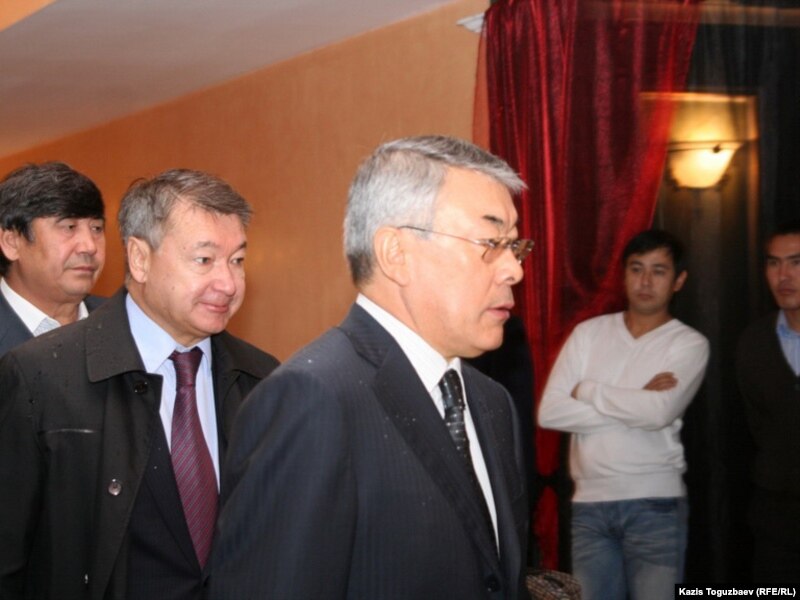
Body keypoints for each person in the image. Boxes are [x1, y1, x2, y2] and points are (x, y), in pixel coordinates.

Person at [209, 136, 533, 599]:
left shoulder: (491, 401)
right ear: (395, 253)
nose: (513, 269)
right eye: (490, 243)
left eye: (514, 246)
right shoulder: (312, 399)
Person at [0, 169, 280, 600]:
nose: (228, 283)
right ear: (140, 259)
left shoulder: (262, 378)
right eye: (204, 260)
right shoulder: (40, 376)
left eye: (237, 260)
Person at [538, 229, 709, 600]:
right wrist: (637, 398)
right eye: (636, 268)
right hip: (588, 506)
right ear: (623, 274)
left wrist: (588, 390)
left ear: (678, 280)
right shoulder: (588, 334)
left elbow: (658, 413)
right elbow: (550, 412)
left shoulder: (688, 343)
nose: (645, 281)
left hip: (655, 504)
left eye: (658, 271)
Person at [736, 219, 800, 583]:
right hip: (776, 517)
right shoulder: (754, 341)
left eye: (796, 262)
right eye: (774, 263)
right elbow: (756, 425)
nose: (783, 275)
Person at [0, 161, 106, 357]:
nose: (90, 246)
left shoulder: (127, 322)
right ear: (12, 243)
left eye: (97, 228)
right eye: (69, 227)